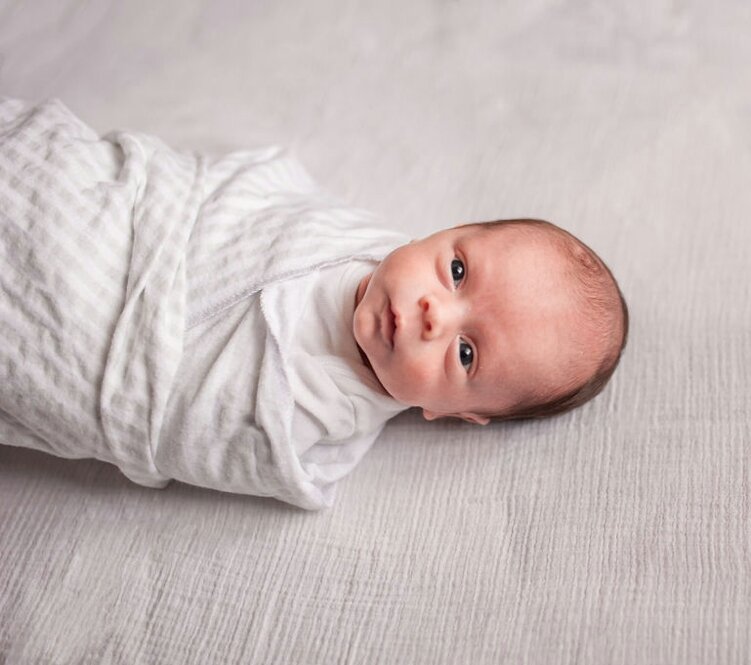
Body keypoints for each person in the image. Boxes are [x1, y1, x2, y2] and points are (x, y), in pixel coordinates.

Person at [0, 97, 628, 508]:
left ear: (450, 412)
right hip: (113, 208)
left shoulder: (313, 424)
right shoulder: (353, 236)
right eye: (457, 270)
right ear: (440, 233)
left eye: (466, 354)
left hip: (85, 335)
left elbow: (176, 426)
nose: (437, 313)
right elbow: (255, 189)